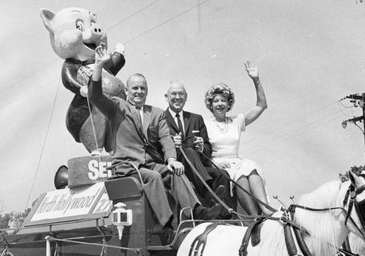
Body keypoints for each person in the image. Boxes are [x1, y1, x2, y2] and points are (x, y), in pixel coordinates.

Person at [88, 44, 222, 233]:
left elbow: (166, 138)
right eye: (135, 88)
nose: (139, 92)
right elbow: (94, 96)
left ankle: (196, 211)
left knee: (175, 172)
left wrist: (172, 159)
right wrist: (99, 66)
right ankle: (167, 224)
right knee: (154, 177)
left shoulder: (156, 113)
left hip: (150, 163)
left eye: (143, 88)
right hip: (127, 166)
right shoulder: (117, 107)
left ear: (147, 91)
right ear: (127, 91)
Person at [204, 60, 271, 216]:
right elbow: (202, 151)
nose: (220, 104)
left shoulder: (236, 121)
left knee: (248, 166)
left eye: (223, 100)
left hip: (236, 161)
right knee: (238, 173)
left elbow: (262, 105)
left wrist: (256, 80)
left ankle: (265, 209)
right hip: (218, 164)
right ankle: (254, 217)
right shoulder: (205, 124)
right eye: (216, 101)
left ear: (229, 104)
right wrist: (214, 164)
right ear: (211, 104)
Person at [164, 80, 236, 213]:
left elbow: (208, 151)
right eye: (174, 94)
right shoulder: (161, 118)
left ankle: (226, 215)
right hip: (177, 169)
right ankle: (210, 196)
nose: (177, 97)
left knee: (222, 174)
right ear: (166, 97)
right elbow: (158, 148)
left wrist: (202, 147)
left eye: (181, 94)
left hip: (198, 169)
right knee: (189, 152)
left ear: (186, 97)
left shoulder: (196, 119)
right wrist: (172, 145)